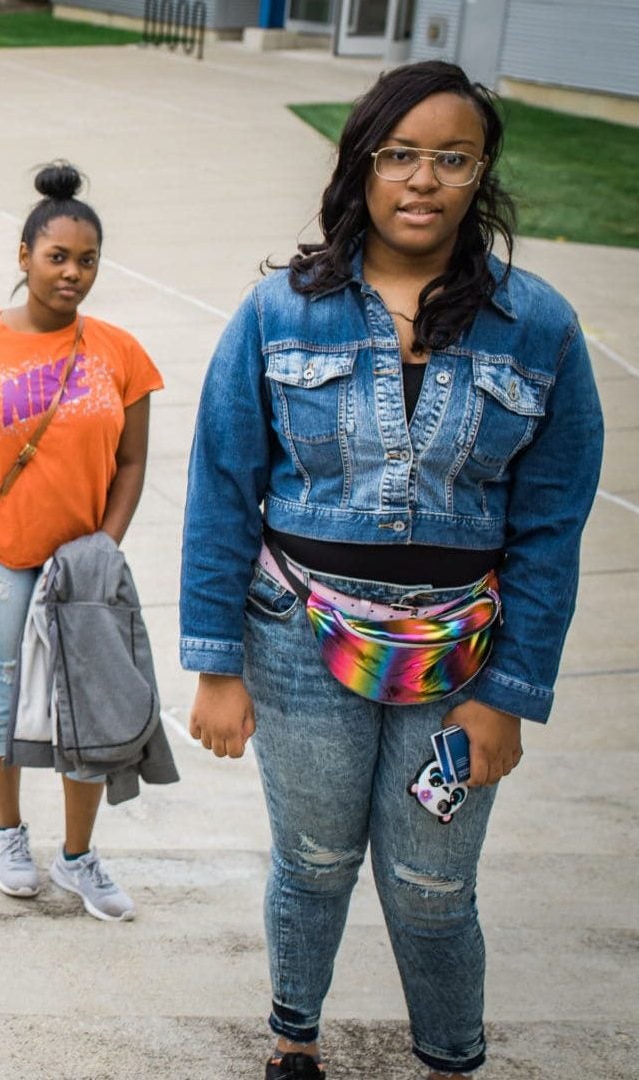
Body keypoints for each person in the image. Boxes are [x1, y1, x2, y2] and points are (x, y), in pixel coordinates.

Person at [180, 61, 603, 1080]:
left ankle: (451, 1058)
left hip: (461, 658)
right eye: (400, 155)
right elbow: (222, 490)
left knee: (430, 886)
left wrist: (510, 694)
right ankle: (294, 1040)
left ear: (481, 173)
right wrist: (218, 666)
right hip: (297, 643)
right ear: (361, 169)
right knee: (315, 864)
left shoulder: (536, 326)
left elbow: (551, 526)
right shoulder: (279, 313)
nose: (423, 180)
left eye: (451, 158)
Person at [0, 162, 163, 921]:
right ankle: (8, 834)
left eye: (87, 260)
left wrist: (106, 547)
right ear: (23, 257)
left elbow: (131, 462)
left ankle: (80, 856)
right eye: (57, 257)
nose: (73, 273)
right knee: (3, 696)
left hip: (80, 563)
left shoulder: (120, 353)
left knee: (82, 702)